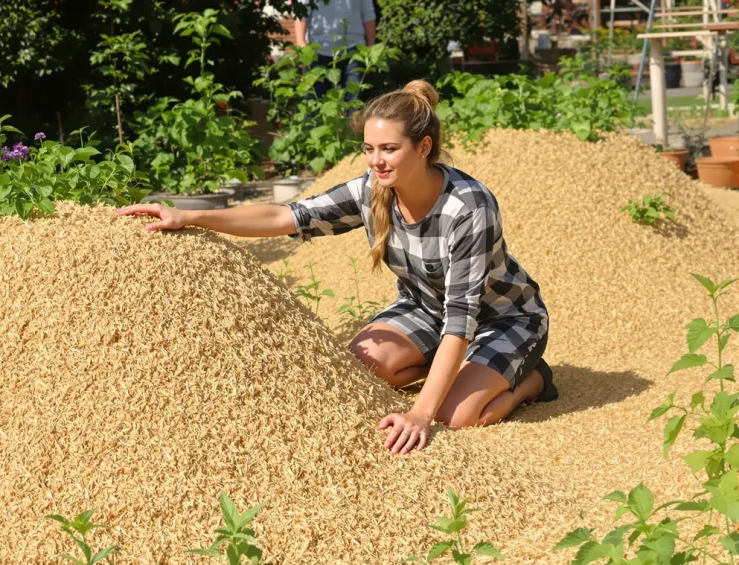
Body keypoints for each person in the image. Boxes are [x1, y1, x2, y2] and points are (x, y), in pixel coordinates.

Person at [116, 80, 557, 456]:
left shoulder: (468, 206)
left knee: (455, 416)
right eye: (368, 149)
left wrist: (421, 413)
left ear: (423, 147)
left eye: (389, 149)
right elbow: (285, 217)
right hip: (426, 310)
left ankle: (533, 380)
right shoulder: (371, 190)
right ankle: (454, 374)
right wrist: (189, 215)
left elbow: (463, 319)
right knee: (360, 367)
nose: (376, 161)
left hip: (502, 318)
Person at [293, 0, 376, 101]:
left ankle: (352, 116)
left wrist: (371, 44)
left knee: (354, 99)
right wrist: (301, 42)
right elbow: (301, 11)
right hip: (317, 50)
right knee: (313, 99)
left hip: (354, 49)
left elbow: (368, 13)